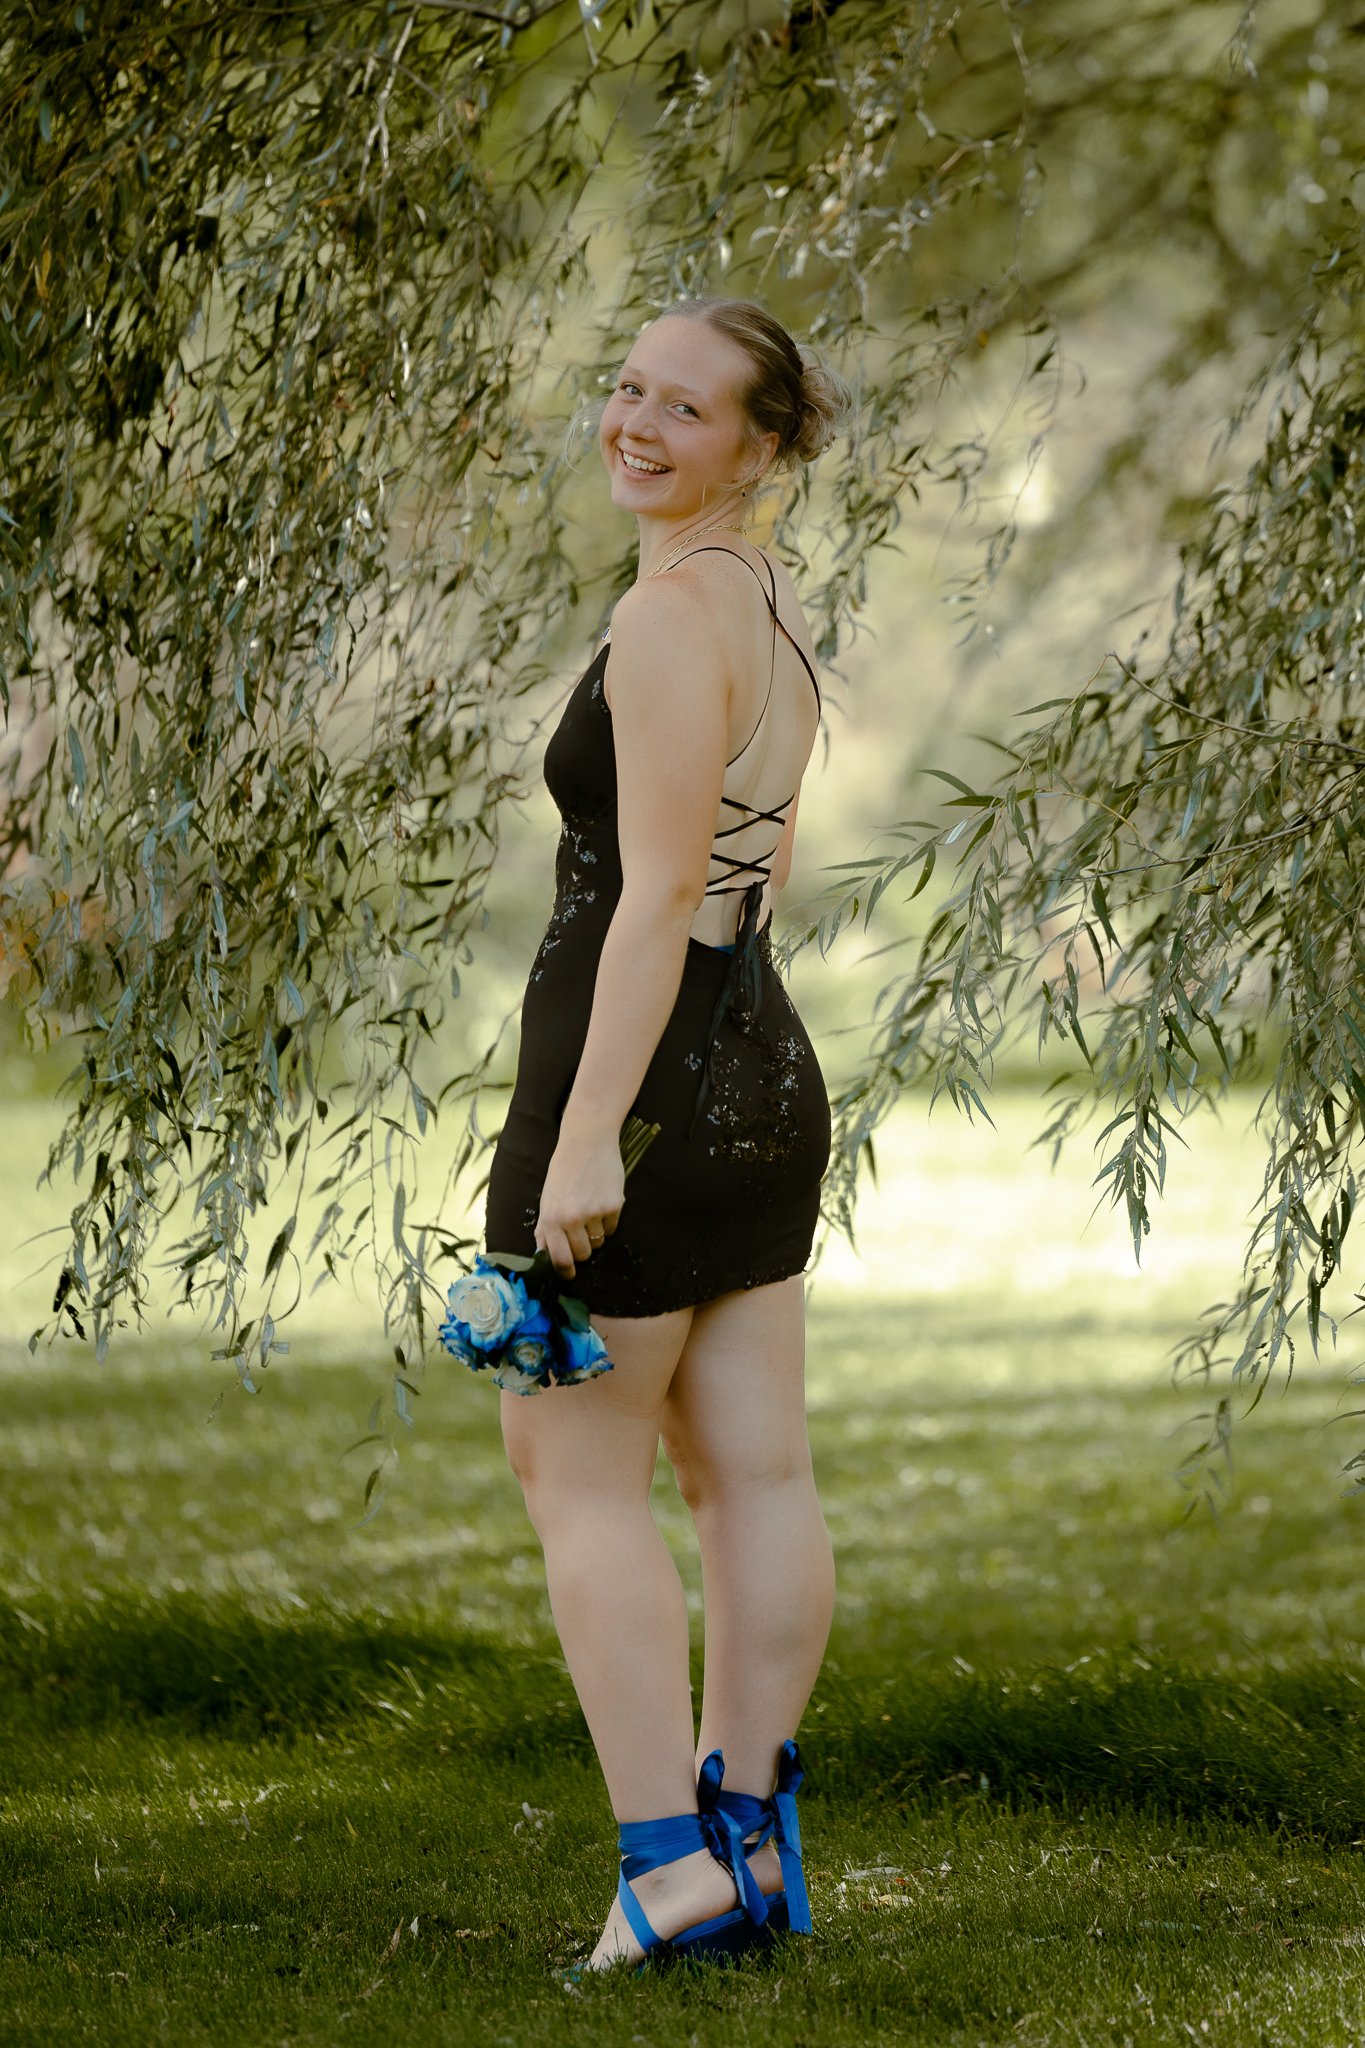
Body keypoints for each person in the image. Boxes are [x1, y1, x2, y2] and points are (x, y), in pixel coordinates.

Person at [482, 295, 850, 1971]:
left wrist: (582, 1142)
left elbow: (650, 902)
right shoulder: (768, 606)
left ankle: (665, 1865)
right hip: (764, 1065)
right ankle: (753, 1846)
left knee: (576, 1470)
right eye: (627, 389)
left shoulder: (663, 623)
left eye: (684, 410)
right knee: (751, 1469)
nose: (637, 424)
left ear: (759, 445)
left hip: (638, 1082)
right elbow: (746, 885)